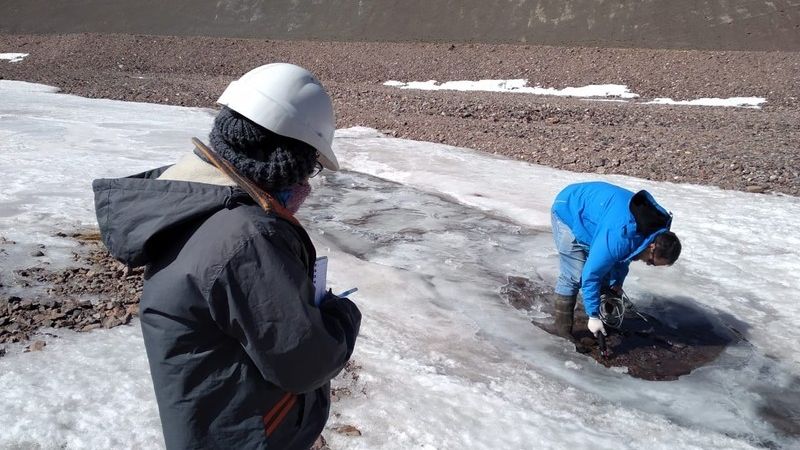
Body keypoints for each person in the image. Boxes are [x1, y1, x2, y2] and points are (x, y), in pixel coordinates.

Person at [92, 63, 361, 449]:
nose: (306, 183)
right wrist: (343, 315)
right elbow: (305, 361)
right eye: (310, 168)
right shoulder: (246, 238)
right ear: (286, 161)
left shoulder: (193, 201)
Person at [550, 181, 681, 338]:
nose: (648, 264)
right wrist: (592, 316)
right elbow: (591, 275)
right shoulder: (620, 236)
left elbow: (625, 256)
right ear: (652, 247)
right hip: (569, 208)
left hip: (599, 214)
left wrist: (617, 282)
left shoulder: (651, 231)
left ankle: (606, 322)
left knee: (607, 274)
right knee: (575, 275)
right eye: (651, 262)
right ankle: (563, 334)